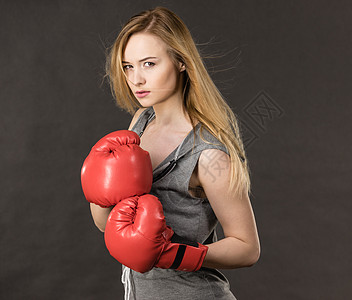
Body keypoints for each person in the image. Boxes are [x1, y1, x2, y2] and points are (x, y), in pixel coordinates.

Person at [89, 7, 260, 300]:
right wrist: (97, 193)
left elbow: (247, 247)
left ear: (180, 61)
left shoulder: (208, 153)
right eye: (128, 66)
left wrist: (177, 255)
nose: (137, 79)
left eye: (149, 64)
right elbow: (108, 224)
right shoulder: (141, 123)